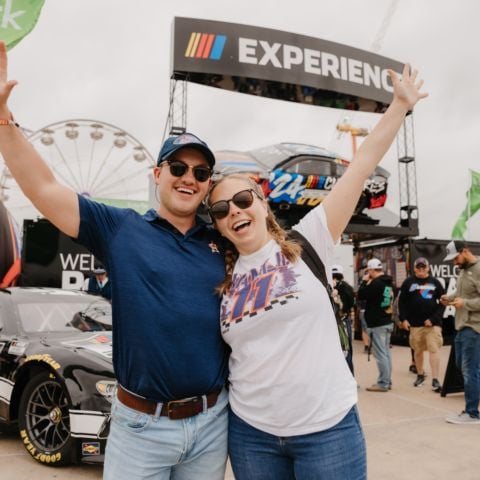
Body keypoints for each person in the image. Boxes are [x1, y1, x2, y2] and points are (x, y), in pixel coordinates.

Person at [0, 42, 229, 479]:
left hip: (212, 424)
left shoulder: (222, 241)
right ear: (157, 174)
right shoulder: (121, 228)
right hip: (141, 428)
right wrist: (3, 122)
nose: (188, 178)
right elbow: (44, 189)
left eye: (200, 173)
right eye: (177, 167)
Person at [206, 64, 427, 479]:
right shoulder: (221, 276)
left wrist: (399, 106)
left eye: (242, 199)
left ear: (262, 203)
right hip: (251, 434)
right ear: (217, 224)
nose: (234, 210)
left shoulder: (310, 240)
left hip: (327, 430)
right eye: (221, 209)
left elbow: (360, 168)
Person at [440, 240, 480, 424]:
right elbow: (462, 294)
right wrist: (449, 298)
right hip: (461, 327)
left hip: (474, 328)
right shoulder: (463, 271)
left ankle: (472, 413)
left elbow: (470, 300)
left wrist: (465, 303)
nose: (454, 263)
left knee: (470, 370)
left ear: (465, 251)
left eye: (455, 258)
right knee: (462, 366)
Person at [398, 257, 445, 392]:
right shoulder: (408, 282)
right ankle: (420, 374)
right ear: (414, 269)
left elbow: (443, 303)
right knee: (418, 350)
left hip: (432, 325)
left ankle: (435, 379)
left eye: (423, 267)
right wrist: (404, 319)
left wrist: (434, 319)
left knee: (434, 349)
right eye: (418, 267)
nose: (421, 270)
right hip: (415, 324)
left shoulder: (435, 283)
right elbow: (402, 303)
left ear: (428, 268)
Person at [357, 258, 395, 392]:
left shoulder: (376, 283)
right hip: (386, 320)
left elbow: (361, 295)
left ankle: (383, 383)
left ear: (372, 270)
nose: (368, 273)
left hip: (378, 323)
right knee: (386, 353)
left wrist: (364, 281)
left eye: (369, 271)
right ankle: (387, 380)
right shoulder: (388, 283)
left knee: (380, 354)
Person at [332, 264, 356, 373]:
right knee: (346, 349)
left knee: (341, 350)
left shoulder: (329, 287)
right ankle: (350, 377)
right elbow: (352, 304)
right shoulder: (348, 287)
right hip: (345, 321)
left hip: (337, 322)